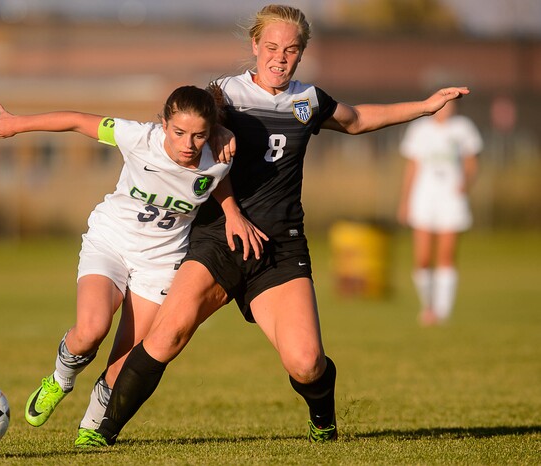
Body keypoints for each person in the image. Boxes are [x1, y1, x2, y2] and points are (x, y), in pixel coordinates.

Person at [73, 4, 472, 447]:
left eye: (291, 50)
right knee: (165, 336)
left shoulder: (310, 101)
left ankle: (322, 418)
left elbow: (358, 120)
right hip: (216, 240)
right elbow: (185, 122)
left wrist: (427, 105)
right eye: (271, 48)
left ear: (301, 54)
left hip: (279, 247)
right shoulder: (223, 93)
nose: (279, 58)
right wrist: (218, 129)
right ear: (255, 47)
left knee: (305, 363)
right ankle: (102, 432)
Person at [0, 85, 267, 443]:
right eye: (178, 133)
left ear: (210, 132)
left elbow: (215, 181)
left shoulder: (219, 153)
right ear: (163, 124)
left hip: (161, 262)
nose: (188, 144)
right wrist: (17, 125)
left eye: (198, 135)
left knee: (125, 361)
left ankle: (91, 428)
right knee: (91, 330)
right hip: (111, 241)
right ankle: (60, 379)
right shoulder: (137, 137)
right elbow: (76, 121)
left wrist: (232, 211)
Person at [397, 99, 482, 326]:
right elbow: (412, 166)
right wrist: (405, 201)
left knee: (446, 256)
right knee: (423, 258)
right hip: (423, 198)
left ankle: (443, 312)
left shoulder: (463, 128)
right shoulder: (419, 128)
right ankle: (428, 306)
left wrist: (466, 183)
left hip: (451, 199)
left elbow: (472, 162)